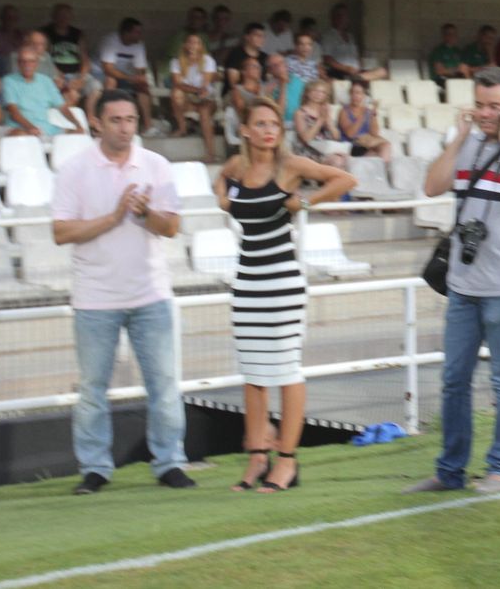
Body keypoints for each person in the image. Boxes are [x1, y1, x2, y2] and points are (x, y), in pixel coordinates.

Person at [405, 67, 500, 497]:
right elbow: (433, 186)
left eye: (494, 106)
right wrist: (458, 137)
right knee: (454, 379)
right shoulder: (467, 143)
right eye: (480, 104)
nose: (485, 113)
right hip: (464, 284)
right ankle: (449, 471)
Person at [52, 90, 195, 494]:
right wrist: (115, 216)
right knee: (92, 390)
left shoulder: (156, 165)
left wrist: (144, 213)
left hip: (151, 294)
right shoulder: (74, 169)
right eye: (115, 119)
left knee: (164, 386)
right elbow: (61, 232)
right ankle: (95, 468)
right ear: (96, 123)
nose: (124, 127)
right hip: (95, 298)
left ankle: (170, 462)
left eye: (130, 119)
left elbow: (170, 227)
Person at [215, 97, 355, 493]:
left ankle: (288, 461)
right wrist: (222, 199)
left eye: (273, 123)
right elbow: (220, 183)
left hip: (281, 281)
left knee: (285, 369)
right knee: (253, 372)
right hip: (247, 282)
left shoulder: (290, 165)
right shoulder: (237, 166)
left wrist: (303, 202)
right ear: (244, 130)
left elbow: (345, 180)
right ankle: (258, 455)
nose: (268, 130)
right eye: (259, 124)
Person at [94, 18, 158, 135]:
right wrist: (131, 78)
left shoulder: (139, 45)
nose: (140, 35)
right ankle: (107, 120)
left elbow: (140, 69)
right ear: (126, 33)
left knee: (142, 87)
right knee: (111, 81)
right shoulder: (110, 41)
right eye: (137, 32)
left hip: (125, 76)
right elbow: (108, 69)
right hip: (100, 74)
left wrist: (140, 80)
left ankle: (148, 126)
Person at [2, 45, 83, 137]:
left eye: (31, 61)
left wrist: (78, 124)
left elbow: (63, 107)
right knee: (21, 135)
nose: (27, 65)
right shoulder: (9, 81)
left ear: (37, 63)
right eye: (23, 61)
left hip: (46, 129)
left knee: (79, 134)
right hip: (20, 128)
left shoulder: (46, 81)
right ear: (18, 63)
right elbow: (14, 113)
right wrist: (31, 128)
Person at [169, 33, 220, 160]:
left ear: (201, 46)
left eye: (197, 43)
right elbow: (177, 84)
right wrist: (196, 90)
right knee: (176, 93)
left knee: (204, 112)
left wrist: (197, 91)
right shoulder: (176, 62)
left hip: (206, 99)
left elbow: (206, 84)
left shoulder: (208, 60)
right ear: (185, 45)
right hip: (189, 99)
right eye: (190, 42)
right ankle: (182, 128)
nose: (193, 46)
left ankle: (211, 153)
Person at [292, 79, 347, 169]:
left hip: (326, 149)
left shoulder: (325, 110)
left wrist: (328, 121)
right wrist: (320, 120)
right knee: (337, 161)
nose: (319, 94)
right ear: (308, 93)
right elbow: (306, 139)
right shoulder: (300, 113)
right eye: (315, 91)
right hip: (308, 151)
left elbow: (336, 137)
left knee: (343, 159)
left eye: (322, 92)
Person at [337, 81, 391, 160]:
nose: (355, 95)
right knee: (381, 146)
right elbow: (350, 134)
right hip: (351, 146)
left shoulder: (367, 111)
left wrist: (373, 115)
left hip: (365, 147)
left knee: (384, 147)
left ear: (364, 95)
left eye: (358, 93)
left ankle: (383, 170)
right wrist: (362, 115)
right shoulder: (344, 111)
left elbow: (374, 133)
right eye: (352, 92)